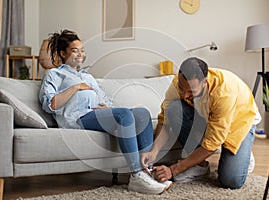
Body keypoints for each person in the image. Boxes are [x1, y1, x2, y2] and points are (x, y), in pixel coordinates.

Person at [39, 29, 172, 194]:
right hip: (76, 118)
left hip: (95, 114)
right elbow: (50, 104)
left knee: (142, 113)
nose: (80, 54)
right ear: (62, 53)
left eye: (82, 50)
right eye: (75, 50)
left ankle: (148, 170)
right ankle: (136, 175)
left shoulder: (88, 77)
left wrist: (107, 108)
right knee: (124, 114)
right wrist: (75, 88)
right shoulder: (54, 74)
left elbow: (105, 100)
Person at [141, 57, 261, 189]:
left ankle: (243, 151)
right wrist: (154, 151)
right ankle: (200, 166)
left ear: (204, 82)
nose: (185, 95)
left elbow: (212, 144)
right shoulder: (178, 83)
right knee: (174, 109)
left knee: (231, 180)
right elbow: (165, 120)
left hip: (239, 122)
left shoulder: (223, 93)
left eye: (191, 91)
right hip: (207, 117)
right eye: (182, 89)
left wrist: (173, 170)